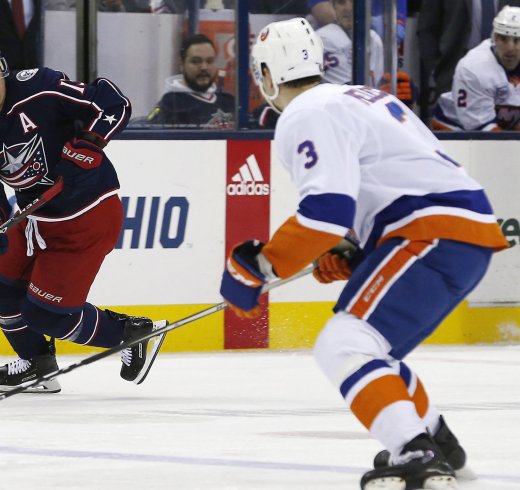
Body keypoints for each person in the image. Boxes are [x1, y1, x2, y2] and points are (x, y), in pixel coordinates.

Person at [221, 17, 509, 490]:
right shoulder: (360, 97)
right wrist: (360, 251)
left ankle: (415, 455)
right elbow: (381, 189)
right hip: (463, 235)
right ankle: (439, 445)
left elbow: (326, 211)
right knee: (376, 352)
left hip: (430, 232)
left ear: (267, 74)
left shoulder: (305, 112)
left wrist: (261, 267)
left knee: (345, 344)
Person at [0, 35, 167, 393]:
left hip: (88, 215)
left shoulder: (40, 87)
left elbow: (112, 102)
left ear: (3, 68)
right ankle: (37, 364)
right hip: (35, 218)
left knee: (44, 315)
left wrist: (92, 142)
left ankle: (130, 334)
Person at [431, 6, 520, 131]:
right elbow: (484, 133)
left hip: (501, 125)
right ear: (494, 38)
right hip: (456, 131)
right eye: (504, 39)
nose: (510, 48)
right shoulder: (474, 68)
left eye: (517, 40)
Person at [145, 34, 235, 128]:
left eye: (210, 61)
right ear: (182, 64)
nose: (204, 67)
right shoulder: (171, 104)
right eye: (195, 61)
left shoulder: (228, 100)